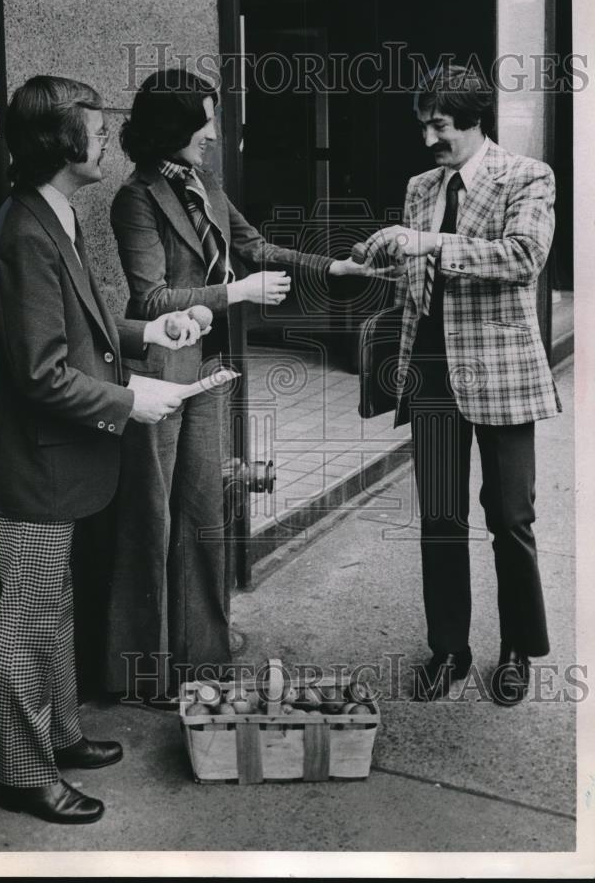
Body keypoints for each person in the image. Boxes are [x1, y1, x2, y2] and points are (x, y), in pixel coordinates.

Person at [105, 67, 390, 700]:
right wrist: (235, 291)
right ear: (173, 128)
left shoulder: (203, 182)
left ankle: (202, 658)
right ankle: (141, 672)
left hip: (208, 369)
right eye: (203, 119)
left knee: (204, 515)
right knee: (154, 521)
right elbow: (150, 299)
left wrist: (332, 265)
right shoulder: (137, 198)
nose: (213, 131)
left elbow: (254, 245)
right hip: (159, 374)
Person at [0, 75, 202, 824]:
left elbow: (86, 322)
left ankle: (60, 735)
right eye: (96, 129)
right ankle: (22, 768)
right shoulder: (30, 231)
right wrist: (132, 400)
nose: (107, 139)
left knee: (54, 606)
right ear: (63, 143)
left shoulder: (51, 213)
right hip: (34, 463)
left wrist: (148, 334)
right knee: (29, 618)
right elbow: (42, 373)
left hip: (56, 464)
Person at [362, 65, 561, 704]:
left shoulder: (527, 176)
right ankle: (448, 648)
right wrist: (388, 257)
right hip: (431, 374)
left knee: (511, 519)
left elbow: (523, 257)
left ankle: (517, 650)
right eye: (422, 125)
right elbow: (420, 279)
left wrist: (427, 241)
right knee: (442, 519)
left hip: (500, 374)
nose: (428, 139)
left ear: (475, 120)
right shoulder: (421, 185)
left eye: (440, 125)